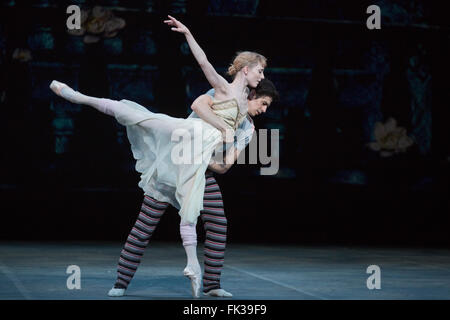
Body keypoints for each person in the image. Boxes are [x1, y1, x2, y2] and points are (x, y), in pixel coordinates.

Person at [48, 16, 268, 297]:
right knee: (143, 120)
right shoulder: (221, 90)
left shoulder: (247, 124)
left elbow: (225, 164)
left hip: (199, 165)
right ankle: (79, 97)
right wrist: (188, 32)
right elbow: (202, 70)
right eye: (260, 72)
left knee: (204, 217)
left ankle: (206, 280)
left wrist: (211, 156)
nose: (262, 78)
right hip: (182, 144)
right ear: (247, 70)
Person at [108, 79, 279, 298]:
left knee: (218, 223)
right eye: (263, 103)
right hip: (174, 167)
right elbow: (197, 106)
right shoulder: (220, 98)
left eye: (267, 107)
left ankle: (212, 284)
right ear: (251, 95)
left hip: (200, 172)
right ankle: (121, 282)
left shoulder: (248, 128)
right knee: (145, 225)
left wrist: (203, 159)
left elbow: (225, 165)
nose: (264, 110)